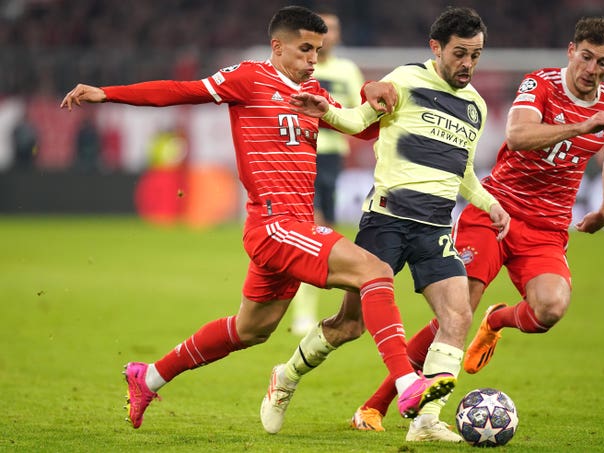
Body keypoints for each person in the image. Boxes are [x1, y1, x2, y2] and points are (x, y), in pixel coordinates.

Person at [60, 5, 445, 430]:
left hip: (293, 226)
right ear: (277, 47)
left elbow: (362, 130)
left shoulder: (314, 90)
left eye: (317, 50)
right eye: (304, 49)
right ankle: (406, 380)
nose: (313, 59)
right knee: (374, 271)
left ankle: (148, 376)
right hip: (275, 224)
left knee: (251, 329)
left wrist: (372, 93)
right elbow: (179, 90)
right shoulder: (248, 78)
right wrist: (107, 92)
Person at [332, 15, 604, 434]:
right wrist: (581, 126)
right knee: (456, 313)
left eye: (602, 63)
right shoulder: (540, 84)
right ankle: (376, 405)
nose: (591, 69)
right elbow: (520, 134)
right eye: (586, 57)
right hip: (495, 212)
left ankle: (498, 321)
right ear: (571, 52)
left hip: (547, 228)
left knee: (550, 309)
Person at [259, 7, 510, 442]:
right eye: (460, 54)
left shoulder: (476, 107)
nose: (468, 64)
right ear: (437, 48)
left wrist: (490, 203)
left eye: (476, 55)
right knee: (349, 325)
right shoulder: (407, 80)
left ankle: (426, 422)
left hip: (434, 228)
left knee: (457, 315)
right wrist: (327, 110)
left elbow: (462, 171)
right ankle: (286, 377)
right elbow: (358, 120)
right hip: (387, 222)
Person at [290, 11, 365, 336]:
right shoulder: (298, 67)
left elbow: (362, 111)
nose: (328, 34)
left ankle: (314, 311)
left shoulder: (348, 70)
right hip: (302, 154)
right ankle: (303, 314)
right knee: (312, 230)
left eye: (333, 28)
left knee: (323, 236)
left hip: (333, 158)